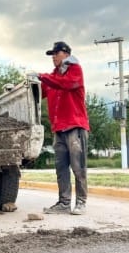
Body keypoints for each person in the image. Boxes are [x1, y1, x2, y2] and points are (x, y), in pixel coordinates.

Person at [35, 42, 89, 216]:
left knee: (78, 166)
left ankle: (81, 202)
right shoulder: (52, 77)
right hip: (59, 128)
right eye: (52, 54)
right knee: (61, 168)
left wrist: (41, 76)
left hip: (75, 126)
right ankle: (64, 203)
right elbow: (39, 93)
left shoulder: (75, 71)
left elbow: (67, 84)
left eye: (56, 53)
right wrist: (27, 86)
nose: (53, 57)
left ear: (66, 54)